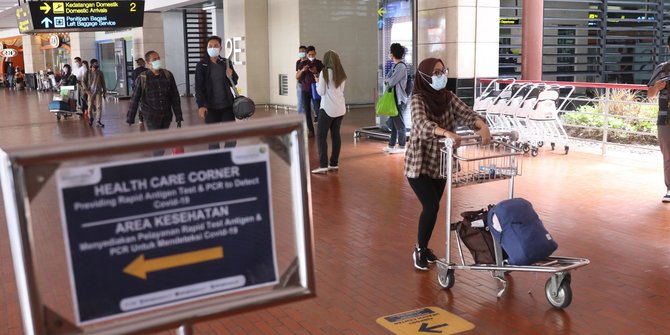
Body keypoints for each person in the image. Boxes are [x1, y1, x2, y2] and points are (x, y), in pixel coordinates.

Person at [405, 58, 491, 271]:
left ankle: (424, 249)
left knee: (434, 209)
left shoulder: (448, 97)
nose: (440, 75)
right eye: (435, 72)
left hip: (442, 163)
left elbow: (466, 113)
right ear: (424, 76)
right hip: (420, 163)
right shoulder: (417, 99)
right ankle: (419, 250)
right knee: (431, 206)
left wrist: (482, 126)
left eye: (443, 71)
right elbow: (421, 124)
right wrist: (445, 132)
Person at [127, 50, 184, 156]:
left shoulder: (168, 75)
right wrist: (130, 117)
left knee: (162, 142)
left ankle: (158, 160)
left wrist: (178, 115)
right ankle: (158, 164)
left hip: (166, 116)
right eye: (154, 59)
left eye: (158, 58)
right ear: (148, 63)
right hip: (151, 116)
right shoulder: (143, 78)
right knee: (158, 143)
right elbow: (135, 98)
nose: (158, 61)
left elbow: (175, 97)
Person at [195, 35, 239, 149]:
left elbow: (234, 82)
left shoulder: (226, 62)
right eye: (210, 46)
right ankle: (216, 162)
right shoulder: (202, 65)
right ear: (206, 48)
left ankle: (227, 159)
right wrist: (201, 105)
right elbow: (198, 87)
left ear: (220, 48)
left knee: (231, 137)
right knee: (213, 140)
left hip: (227, 105)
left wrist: (231, 75)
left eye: (215, 46)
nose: (212, 48)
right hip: (210, 107)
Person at [311, 50, 347, 174]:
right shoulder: (341, 73)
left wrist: (316, 83)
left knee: (321, 136)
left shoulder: (324, 72)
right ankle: (334, 163)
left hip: (327, 109)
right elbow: (340, 90)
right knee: (335, 135)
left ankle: (323, 165)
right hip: (340, 108)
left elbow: (321, 92)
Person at [647, 36, 670, 203]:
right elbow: (650, 95)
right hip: (665, 119)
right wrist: (657, 87)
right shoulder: (662, 68)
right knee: (668, 155)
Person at [383, 43, 409, 154]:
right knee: (394, 124)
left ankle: (402, 146)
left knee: (400, 124)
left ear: (393, 53)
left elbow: (391, 81)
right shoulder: (395, 66)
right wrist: (389, 80)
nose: (389, 53)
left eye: (390, 51)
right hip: (394, 99)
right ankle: (391, 145)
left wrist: (389, 80)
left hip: (399, 99)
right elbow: (386, 79)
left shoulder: (401, 66)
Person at [296, 45, 324, 137]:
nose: (311, 56)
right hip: (305, 89)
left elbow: (324, 77)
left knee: (318, 109)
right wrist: (303, 70)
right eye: (309, 54)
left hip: (316, 89)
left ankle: (321, 130)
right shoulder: (303, 63)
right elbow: (297, 76)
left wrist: (316, 72)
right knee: (307, 111)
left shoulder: (319, 63)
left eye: (313, 54)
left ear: (315, 53)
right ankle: (310, 130)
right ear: (307, 54)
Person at [85, 59, 106, 127]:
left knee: (99, 106)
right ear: (91, 65)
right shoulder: (87, 72)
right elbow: (83, 81)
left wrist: (104, 91)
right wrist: (86, 90)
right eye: (95, 64)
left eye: (97, 63)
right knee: (90, 106)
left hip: (98, 91)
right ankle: (91, 118)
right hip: (90, 92)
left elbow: (103, 82)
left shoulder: (100, 73)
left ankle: (98, 121)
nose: (96, 65)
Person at [131, 58, 147, 123]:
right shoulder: (147, 71)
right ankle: (146, 116)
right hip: (146, 90)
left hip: (137, 90)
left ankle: (141, 118)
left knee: (140, 104)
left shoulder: (134, 71)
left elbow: (132, 82)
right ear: (143, 63)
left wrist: (134, 90)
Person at [295, 45, 307, 115]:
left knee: (310, 102)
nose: (301, 53)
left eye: (303, 51)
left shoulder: (309, 61)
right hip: (300, 84)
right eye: (300, 52)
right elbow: (297, 74)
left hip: (308, 84)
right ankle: (300, 117)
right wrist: (297, 83)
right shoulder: (298, 62)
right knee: (300, 101)